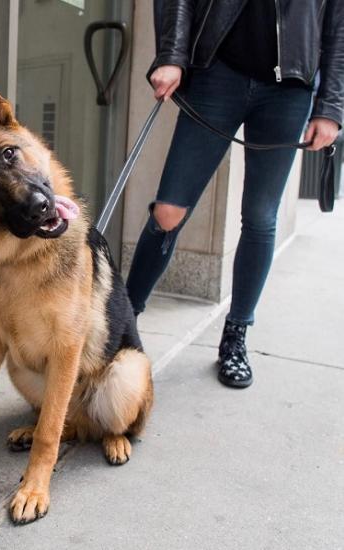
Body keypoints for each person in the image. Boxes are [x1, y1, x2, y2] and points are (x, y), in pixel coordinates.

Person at [126, 1, 343, 388]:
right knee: (168, 211)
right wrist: (172, 55)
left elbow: (338, 27)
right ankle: (122, 323)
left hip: (289, 91)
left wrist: (330, 107)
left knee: (260, 217)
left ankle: (235, 335)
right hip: (217, 74)